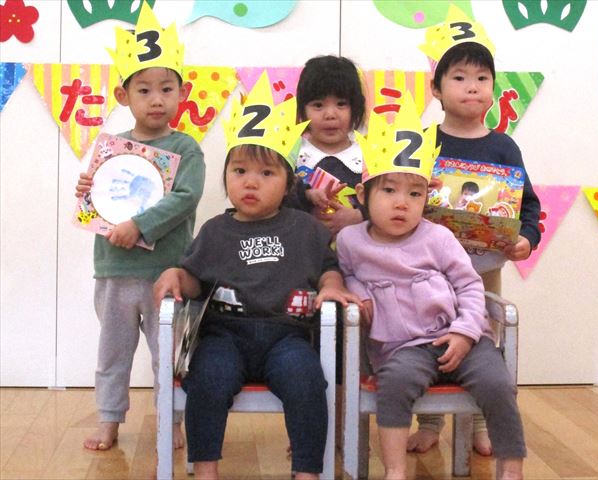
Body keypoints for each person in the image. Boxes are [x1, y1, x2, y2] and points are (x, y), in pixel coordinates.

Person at [153, 72, 361, 480]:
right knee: (206, 379)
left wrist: (332, 287)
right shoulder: (216, 229)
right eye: (239, 171)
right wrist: (176, 274)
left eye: (267, 174)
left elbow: (328, 269)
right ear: (227, 177)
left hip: (287, 336)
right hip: (224, 335)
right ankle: (206, 469)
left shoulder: (305, 228)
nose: (251, 182)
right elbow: (196, 279)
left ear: (288, 185)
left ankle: (307, 471)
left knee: (308, 381)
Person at [336, 93, 526, 480]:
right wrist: (358, 291)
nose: (402, 203)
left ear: (427, 197)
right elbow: (347, 275)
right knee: (394, 384)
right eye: (388, 191)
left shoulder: (437, 236)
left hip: (459, 335)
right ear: (363, 195)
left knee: (497, 382)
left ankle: (511, 468)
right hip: (402, 347)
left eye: (415, 193)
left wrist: (465, 332)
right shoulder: (351, 240)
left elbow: (470, 286)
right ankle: (395, 469)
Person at [409, 8, 541, 456]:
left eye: (482, 78)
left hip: (484, 269)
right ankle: (428, 421)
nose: (472, 86)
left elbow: (529, 205)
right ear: (436, 89)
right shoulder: (423, 142)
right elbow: (400, 195)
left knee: (485, 341)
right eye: (460, 77)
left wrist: (526, 239)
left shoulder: (503, 146)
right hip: (427, 269)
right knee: (427, 339)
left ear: (493, 89)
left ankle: (483, 423)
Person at [75, 2, 205, 451]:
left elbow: (185, 198)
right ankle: (109, 420)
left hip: (165, 272)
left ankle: (173, 421)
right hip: (113, 270)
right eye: (144, 90)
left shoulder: (186, 148)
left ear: (182, 93)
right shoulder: (112, 147)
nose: (156, 99)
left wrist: (139, 225)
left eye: (166, 89)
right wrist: (87, 190)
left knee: (169, 355)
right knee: (112, 353)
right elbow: (98, 204)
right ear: (123, 95)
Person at [287, 54, 367, 236]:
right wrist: (306, 197)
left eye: (341, 104)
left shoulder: (370, 157)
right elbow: (273, 199)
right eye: (318, 105)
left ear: (356, 108)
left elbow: (387, 199)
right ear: (302, 110)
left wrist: (359, 216)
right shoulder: (289, 155)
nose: (330, 114)